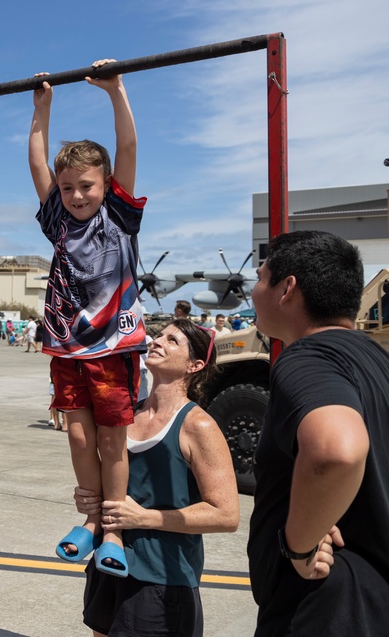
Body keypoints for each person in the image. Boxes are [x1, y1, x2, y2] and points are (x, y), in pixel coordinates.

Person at [29, 59, 144, 577]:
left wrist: (116, 92)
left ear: (104, 185)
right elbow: (37, 166)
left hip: (113, 346)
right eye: (69, 186)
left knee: (111, 437)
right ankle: (92, 519)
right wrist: (41, 109)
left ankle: (115, 528)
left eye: (86, 186)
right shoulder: (57, 220)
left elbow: (128, 150)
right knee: (78, 436)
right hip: (69, 347)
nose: (76, 195)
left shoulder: (116, 215)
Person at [247, 231, 389, 636]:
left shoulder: (308, 357)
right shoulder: (376, 361)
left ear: (287, 288)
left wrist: (300, 544)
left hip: (324, 607)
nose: (254, 291)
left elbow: (336, 451)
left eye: (261, 278)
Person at [75, 318, 239, 636]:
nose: (157, 341)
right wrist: (89, 495)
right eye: (159, 335)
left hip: (161, 579)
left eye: (173, 340)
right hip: (110, 565)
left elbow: (226, 514)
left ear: (195, 364)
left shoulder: (198, 426)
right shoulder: (127, 415)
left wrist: (145, 517)